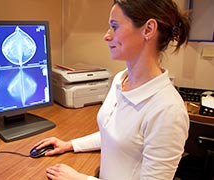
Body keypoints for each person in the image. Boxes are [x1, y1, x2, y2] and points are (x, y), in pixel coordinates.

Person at [33, 0, 191, 179]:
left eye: (115, 27)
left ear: (148, 30)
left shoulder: (168, 110)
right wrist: (69, 144)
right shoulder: (120, 79)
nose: (107, 36)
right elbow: (114, 137)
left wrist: (80, 179)